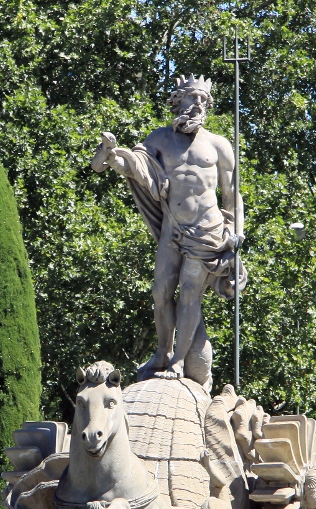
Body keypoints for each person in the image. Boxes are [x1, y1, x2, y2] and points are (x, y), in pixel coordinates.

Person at [91, 75, 246, 390]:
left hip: (208, 230)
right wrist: (111, 152)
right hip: (172, 229)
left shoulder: (219, 145)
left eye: (203, 100)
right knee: (160, 292)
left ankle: (177, 362)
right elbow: (137, 166)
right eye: (192, 99)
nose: (197, 105)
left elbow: (232, 195)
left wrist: (238, 231)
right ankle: (163, 352)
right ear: (178, 101)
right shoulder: (159, 139)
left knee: (190, 295)